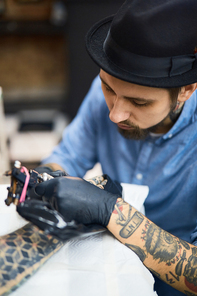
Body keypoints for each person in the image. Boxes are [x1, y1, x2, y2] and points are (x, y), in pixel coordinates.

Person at [17, 1, 197, 295]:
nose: (115, 114)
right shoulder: (111, 94)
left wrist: (110, 210)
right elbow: (67, 157)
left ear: (187, 90)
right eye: (108, 89)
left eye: (139, 102)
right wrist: (45, 180)